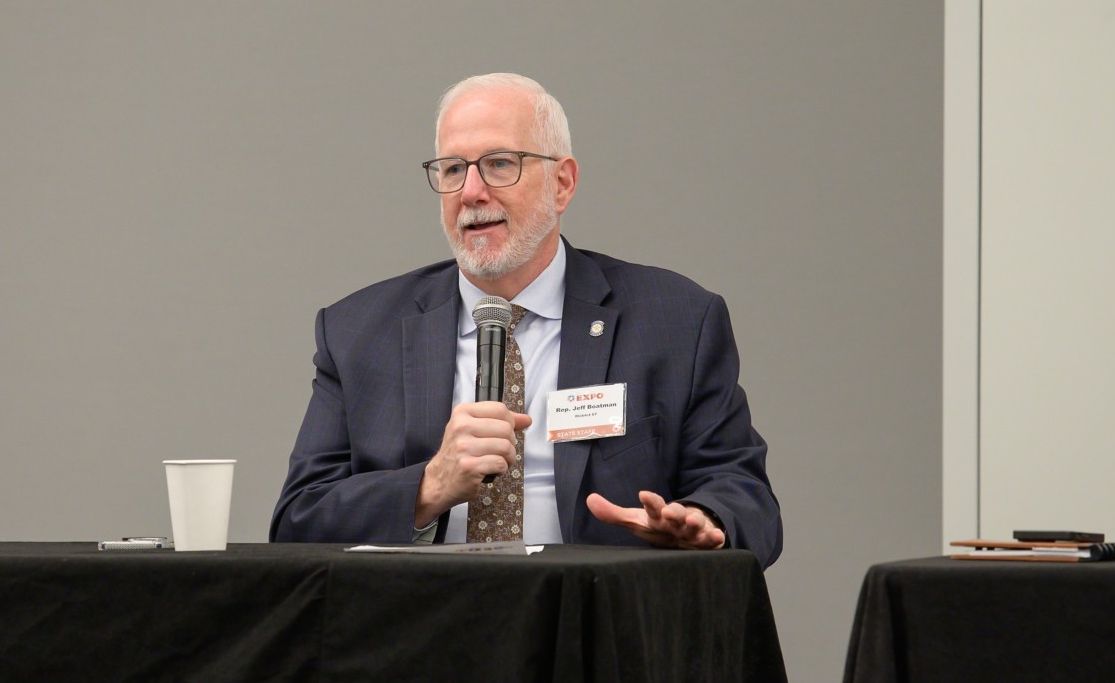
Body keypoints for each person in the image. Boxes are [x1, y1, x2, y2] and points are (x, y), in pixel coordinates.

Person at [270, 73, 782, 566]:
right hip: (420, 630)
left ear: (562, 183)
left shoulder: (675, 320)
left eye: (498, 164)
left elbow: (744, 494)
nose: (471, 192)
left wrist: (703, 520)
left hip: (595, 628)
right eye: (452, 169)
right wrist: (427, 488)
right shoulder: (358, 331)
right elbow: (297, 522)